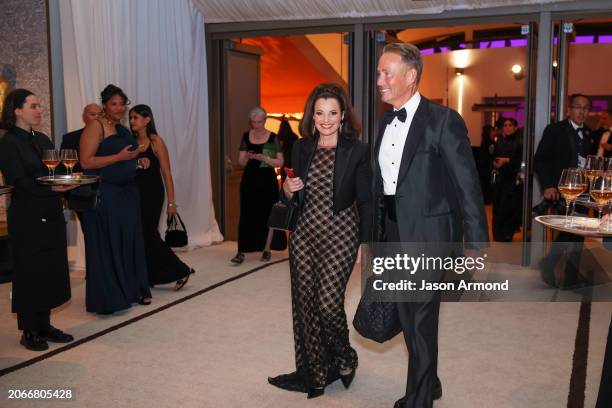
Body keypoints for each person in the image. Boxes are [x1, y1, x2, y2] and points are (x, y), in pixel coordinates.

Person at [373, 43, 488, 408]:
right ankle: (430, 379)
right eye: (378, 73)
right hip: (393, 231)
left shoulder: (443, 120)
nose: (379, 80)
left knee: (421, 316)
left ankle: (419, 399)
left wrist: (476, 242)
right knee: (408, 315)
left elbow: (467, 184)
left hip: (429, 236)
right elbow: (382, 184)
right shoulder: (383, 121)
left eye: (386, 73)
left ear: (410, 76)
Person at [268, 83, 371, 398]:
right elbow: (290, 192)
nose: (326, 119)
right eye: (320, 113)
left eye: (333, 113)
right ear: (311, 116)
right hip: (304, 233)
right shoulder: (301, 147)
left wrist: (365, 245)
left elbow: (366, 201)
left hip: (341, 232)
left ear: (342, 116)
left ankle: (345, 357)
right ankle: (313, 372)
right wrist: (288, 189)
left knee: (327, 303)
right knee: (306, 305)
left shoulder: (358, 150)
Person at [0, 89, 75, 351]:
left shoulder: (42, 138)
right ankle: (29, 330)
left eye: (39, 105)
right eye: (33, 105)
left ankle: (44, 324)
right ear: (16, 111)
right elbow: (18, 181)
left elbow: (52, 171)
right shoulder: (8, 142)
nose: (39, 110)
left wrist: (65, 182)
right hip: (28, 215)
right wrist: (51, 188)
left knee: (51, 267)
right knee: (30, 271)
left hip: (51, 210)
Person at [80, 84, 151, 314]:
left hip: (128, 192)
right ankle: (112, 296)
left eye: (122, 103)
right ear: (104, 105)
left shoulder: (122, 129)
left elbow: (124, 161)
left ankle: (131, 290)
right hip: (107, 193)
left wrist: (138, 162)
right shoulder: (96, 126)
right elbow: (87, 162)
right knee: (109, 241)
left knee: (128, 240)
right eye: (114, 104)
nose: (119, 108)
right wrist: (120, 156)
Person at [534, 94, 597, 289]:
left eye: (586, 108)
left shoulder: (589, 133)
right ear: (569, 109)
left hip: (582, 191)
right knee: (571, 230)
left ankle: (566, 273)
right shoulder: (555, 130)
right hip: (561, 190)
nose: (582, 111)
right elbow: (540, 159)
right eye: (578, 107)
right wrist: (548, 186)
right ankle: (555, 267)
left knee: (579, 232)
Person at [130, 104, 194, 290]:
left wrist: (172, 203)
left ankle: (180, 269)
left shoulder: (156, 141)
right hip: (134, 193)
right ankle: (151, 275)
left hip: (152, 193)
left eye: (136, 117)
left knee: (148, 234)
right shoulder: (130, 142)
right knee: (141, 236)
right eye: (131, 117)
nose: (132, 121)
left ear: (147, 119)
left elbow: (167, 173)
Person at [231, 106, 286, 264]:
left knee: (268, 215)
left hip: (267, 180)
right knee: (246, 214)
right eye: (254, 122)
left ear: (265, 120)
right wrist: (247, 156)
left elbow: (281, 162)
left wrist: (265, 159)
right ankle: (241, 251)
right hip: (249, 180)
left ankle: (266, 249)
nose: (257, 125)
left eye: (259, 122)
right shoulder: (246, 136)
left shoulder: (273, 138)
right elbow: (240, 162)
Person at [60, 103, 103, 230]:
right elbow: (64, 168)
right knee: (89, 233)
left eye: (100, 114)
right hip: (82, 194)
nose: (96, 118)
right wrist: (65, 196)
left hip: (109, 192)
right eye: (92, 114)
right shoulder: (70, 138)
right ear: (84, 117)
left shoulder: (110, 137)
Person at [491, 117, 523, 242]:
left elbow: (521, 161)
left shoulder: (519, 143)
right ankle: (497, 234)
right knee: (497, 207)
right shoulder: (498, 141)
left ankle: (507, 233)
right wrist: (495, 163)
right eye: (505, 125)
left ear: (515, 128)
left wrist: (507, 160)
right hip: (499, 179)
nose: (507, 127)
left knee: (509, 207)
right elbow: (493, 157)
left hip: (512, 181)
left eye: (510, 125)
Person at [276, 118, 299, 182]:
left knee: (284, 180)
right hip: (293, 160)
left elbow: (278, 149)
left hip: (284, 161)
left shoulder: (279, 137)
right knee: (293, 179)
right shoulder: (294, 136)